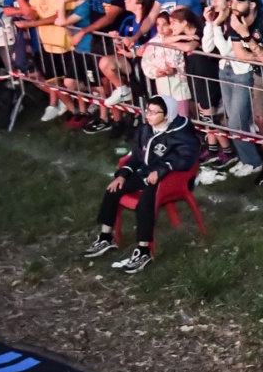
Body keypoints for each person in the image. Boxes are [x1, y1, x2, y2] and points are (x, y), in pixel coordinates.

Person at [82, 96, 200, 274]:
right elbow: (136, 156)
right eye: (148, 111)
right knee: (114, 188)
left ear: (167, 115)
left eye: (154, 112)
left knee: (145, 201)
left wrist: (161, 170)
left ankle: (144, 250)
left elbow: (185, 159)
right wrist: (123, 174)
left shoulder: (182, 133)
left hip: (170, 179)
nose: (149, 115)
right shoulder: (146, 130)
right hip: (147, 174)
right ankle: (106, 237)